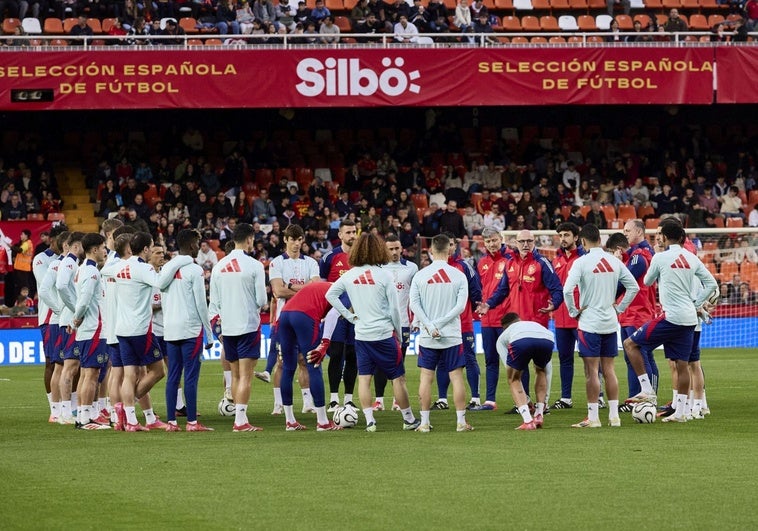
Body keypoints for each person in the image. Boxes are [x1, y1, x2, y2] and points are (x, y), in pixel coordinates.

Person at [325, 232, 420, 432]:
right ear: (379, 249)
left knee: (364, 378)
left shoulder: (350, 275)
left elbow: (330, 294)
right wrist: (398, 332)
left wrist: (350, 317)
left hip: (361, 334)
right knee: (397, 377)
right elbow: (395, 309)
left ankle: (370, 421)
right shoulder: (384, 275)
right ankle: (409, 419)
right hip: (384, 334)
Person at [623, 221, 717, 423]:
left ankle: (646, 389)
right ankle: (681, 413)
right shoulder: (691, 258)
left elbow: (647, 282)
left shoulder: (660, 257)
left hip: (671, 316)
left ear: (665, 238)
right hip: (690, 318)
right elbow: (712, 284)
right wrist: (696, 303)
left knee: (630, 344)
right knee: (682, 364)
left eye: (660, 235)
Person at [112, 232, 191, 432]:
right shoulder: (143, 268)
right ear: (146, 249)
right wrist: (176, 265)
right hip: (141, 329)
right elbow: (161, 283)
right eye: (153, 246)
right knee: (158, 370)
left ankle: (129, 418)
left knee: (130, 374)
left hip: (122, 328)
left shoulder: (120, 266)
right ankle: (127, 408)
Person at [563, 223, 639, 428]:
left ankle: (594, 417)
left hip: (589, 323)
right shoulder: (614, 261)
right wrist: (619, 308)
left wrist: (573, 311)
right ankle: (614, 417)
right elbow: (634, 286)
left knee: (591, 371)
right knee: (609, 370)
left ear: (584, 241)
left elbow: (567, 290)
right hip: (609, 322)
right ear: (600, 240)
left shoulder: (581, 262)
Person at [409, 233, 472, 432]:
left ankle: (425, 423)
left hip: (428, 335)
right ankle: (461, 422)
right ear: (450, 249)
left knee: (426, 378)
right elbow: (460, 307)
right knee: (456, 377)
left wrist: (429, 325)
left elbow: (413, 304)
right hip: (452, 334)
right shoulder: (458, 275)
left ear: (430, 250)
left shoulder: (420, 275)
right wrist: (440, 323)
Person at [208, 223, 268, 432]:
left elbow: (214, 301)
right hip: (248, 325)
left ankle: (238, 418)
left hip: (227, 326)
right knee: (246, 375)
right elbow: (261, 298)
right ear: (250, 239)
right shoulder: (255, 266)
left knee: (235, 375)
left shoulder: (219, 266)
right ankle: (241, 420)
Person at [257, 224, 320, 415]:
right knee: (282, 362)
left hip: (307, 317)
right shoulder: (277, 262)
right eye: (292, 239)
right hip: (283, 319)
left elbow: (316, 287)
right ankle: (278, 403)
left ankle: (307, 402)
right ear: (285, 240)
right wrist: (305, 288)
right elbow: (277, 291)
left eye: (299, 239)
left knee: (304, 360)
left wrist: (290, 286)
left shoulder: (311, 262)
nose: (295, 244)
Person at [502, 229, 563, 412]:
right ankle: (525, 401)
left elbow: (557, 289)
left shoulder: (542, 263)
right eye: (522, 241)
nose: (525, 244)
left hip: (537, 322)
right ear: (516, 243)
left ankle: (542, 404)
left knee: (541, 366)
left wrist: (555, 304)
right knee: (520, 366)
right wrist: (488, 304)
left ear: (534, 242)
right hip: (517, 326)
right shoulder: (510, 263)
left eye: (529, 241)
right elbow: (502, 290)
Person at [161, 230, 214, 432]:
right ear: (192, 246)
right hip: (190, 329)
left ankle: (171, 422)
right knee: (190, 376)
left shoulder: (166, 268)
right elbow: (201, 303)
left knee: (173, 375)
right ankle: (192, 422)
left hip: (171, 328)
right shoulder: (195, 270)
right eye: (197, 243)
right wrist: (208, 332)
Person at [278, 281, 343, 431]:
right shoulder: (346, 291)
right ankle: (322, 421)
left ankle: (290, 421)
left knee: (288, 368)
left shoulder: (323, 285)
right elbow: (334, 313)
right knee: (314, 365)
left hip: (285, 314)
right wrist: (325, 342)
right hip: (305, 315)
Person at [611, 219, 659, 412]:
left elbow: (625, 280)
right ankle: (635, 398)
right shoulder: (634, 254)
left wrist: (608, 296)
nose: (625, 234)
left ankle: (650, 396)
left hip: (639, 312)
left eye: (628, 230)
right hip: (629, 313)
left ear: (639, 231)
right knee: (632, 358)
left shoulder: (640, 255)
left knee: (642, 355)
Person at [372, 234, 418, 411]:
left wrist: (416, 319)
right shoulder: (378, 267)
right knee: (379, 362)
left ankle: (397, 400)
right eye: (390, 249)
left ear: (402, 248)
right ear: (385, 249)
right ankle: (379, 400)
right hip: (382, 322)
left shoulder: (411, 268)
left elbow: (415, 296)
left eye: (396, 248)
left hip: (404, 323)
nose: (394, 252)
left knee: (399, 362)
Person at [71, 233, 111, 430]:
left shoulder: (83, 270)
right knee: (92, 374)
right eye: (103, 247)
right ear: (94, 249)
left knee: (87, 373)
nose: (105, 251)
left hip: (88, 329)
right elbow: (85, 300)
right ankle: (86, 419)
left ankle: (84, 415)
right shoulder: (92, 272)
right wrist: (76, 318)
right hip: (94, 328)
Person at [320, 220, 359, 411]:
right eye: (349, 232)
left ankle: (349, 399)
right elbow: (321, 287)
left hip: (358, 315)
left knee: (353, 356)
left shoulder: (362, 257)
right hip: (335, 316)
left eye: (354, 231)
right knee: (336, 354)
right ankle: (334, 399)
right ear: (340, 235)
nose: (353, 235)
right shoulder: (329, 257)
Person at [473, 228, 511, 410]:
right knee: (490, 360)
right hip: (487, 320)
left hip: (506, 319)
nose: (491, 244)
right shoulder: (482, 263)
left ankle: (522, 400)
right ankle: (490, 401)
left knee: (513, 360)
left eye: (494, 240)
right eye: (487, 241)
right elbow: (479, 289)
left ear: (501, 239)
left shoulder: (511, 259)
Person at [496, 313, 555, 430]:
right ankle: (539, 415)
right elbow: (548, 371)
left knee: (513, 379)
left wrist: (527, 400)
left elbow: (510, 371)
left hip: (520, 341)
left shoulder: (503, 337)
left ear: (505, 328)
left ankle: (528, 421)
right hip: (547, 339)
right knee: (541, 371)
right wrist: (544, 403)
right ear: (519, 320)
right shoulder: (533, 324)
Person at [551, 222, 586, 411]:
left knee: (589, 358)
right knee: (565, 358)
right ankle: (566, 398)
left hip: (581, 317)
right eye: (561, 235)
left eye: (567, 235)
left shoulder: (584, 258)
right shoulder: (555, 260)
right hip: (561, 318)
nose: (563, 239)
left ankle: (598, 396)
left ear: (576, 237)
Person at [32, 224, 66, 422]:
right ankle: (53, 408)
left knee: (71, 362)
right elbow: (48, 285)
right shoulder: (41, 259)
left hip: (66, 316)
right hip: (49, 317)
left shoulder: (68, 260)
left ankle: (69, 406)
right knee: (52, 362)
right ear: (51, 240)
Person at [56, 232, 84, 426]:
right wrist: (76, 310)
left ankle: (70, 409)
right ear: (76, 246)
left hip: (72, 320)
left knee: (75, 367)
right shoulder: (69, 262)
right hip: (70, 322)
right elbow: (61, 286)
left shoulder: (74, 263)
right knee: (70, 367)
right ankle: (65, 412)